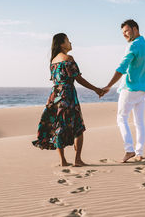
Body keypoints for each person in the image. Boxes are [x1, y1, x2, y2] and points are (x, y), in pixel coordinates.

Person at [32, 33, 103, 167]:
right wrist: (96, 89)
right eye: (68, 40)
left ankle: (63, 161)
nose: (70, 43)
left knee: (58, 126)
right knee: (78, 126)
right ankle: (78, 160)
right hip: (68, 95)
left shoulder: (53, 61)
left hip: (55, 95)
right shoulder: (68, 58)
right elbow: (79, 78)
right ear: (61, 44)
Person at [102, 19, 145, 162]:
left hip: (129, 89)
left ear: (135, 29)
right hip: (142, 91)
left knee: (121, 118)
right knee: (139, 122)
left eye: (126, 31)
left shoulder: (133, 46)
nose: (124, 35)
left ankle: (129, 150)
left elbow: (121, 68)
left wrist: (108, 85)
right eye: (123, 32)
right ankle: (139, 152)